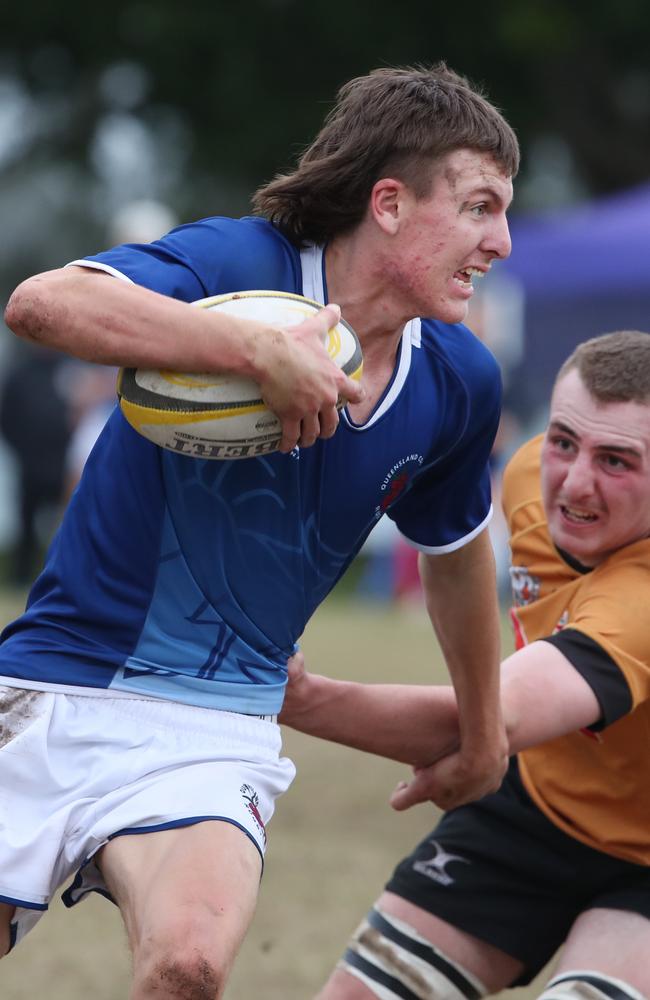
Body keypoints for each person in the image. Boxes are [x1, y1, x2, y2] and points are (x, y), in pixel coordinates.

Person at [2, 63, 517, 998]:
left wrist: (481, 732)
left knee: (189, 965)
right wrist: (252, 351)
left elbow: (453, 562)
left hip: (216, 725)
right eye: (480, 208)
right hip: (52, 685)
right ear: (391, 203)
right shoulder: (244, 268)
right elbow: (42, 304)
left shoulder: (459, 382)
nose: (504, 241)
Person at [279, 329, 650, 1000]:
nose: (576, 481)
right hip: (537, 805)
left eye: (618, 461)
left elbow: (476, 725)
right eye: (565, 440)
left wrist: (293, 694)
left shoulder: (641, 605)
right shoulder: (528, 479)